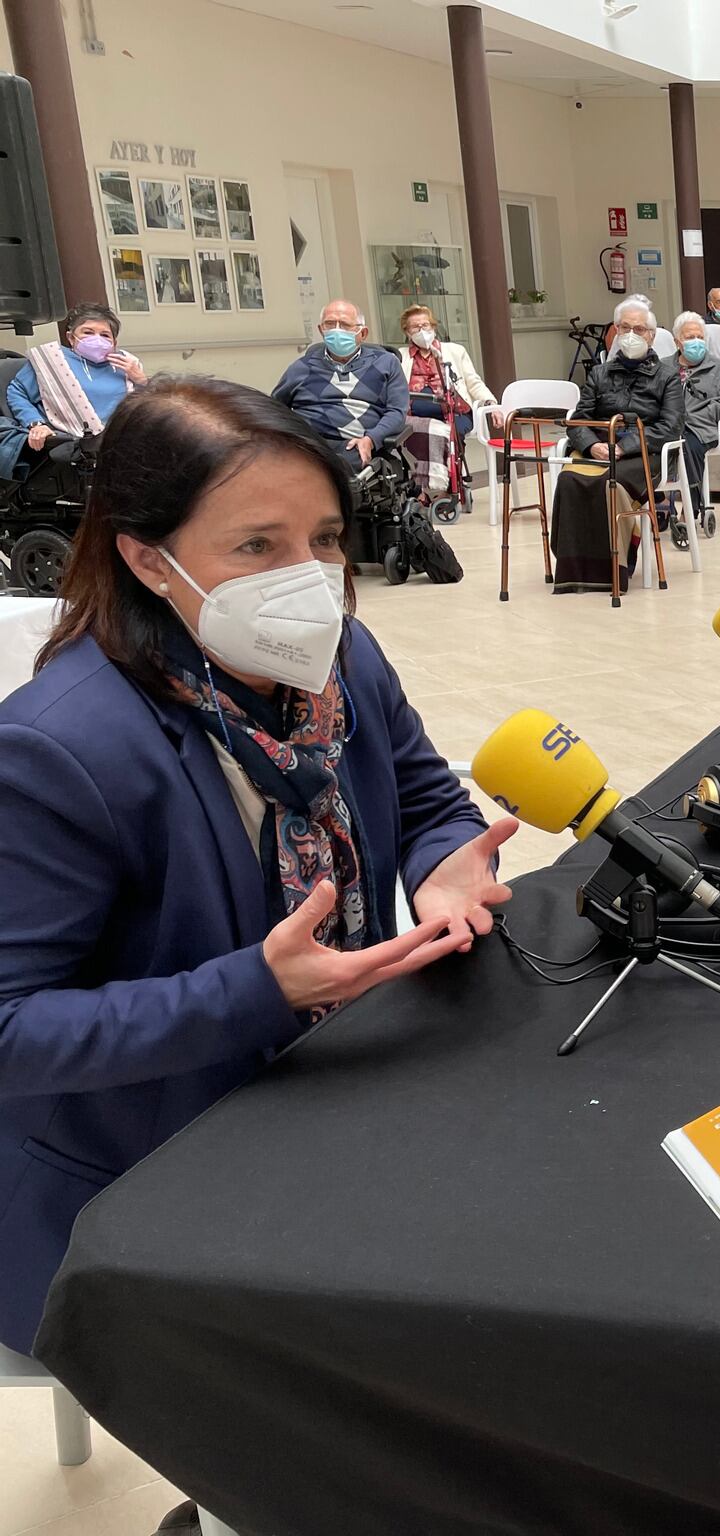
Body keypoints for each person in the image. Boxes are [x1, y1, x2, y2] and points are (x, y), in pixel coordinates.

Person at [0, 378, 510, 1361]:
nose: (310, 579)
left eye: (323, 538)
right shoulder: (56, 750)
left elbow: (424, 794)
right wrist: (255, 990)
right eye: (256, 547)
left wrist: (447, 866)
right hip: (140, 1173)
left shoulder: (339, 658)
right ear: (148, 559)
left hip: (331, 1092)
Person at [550, 297, 682, 593]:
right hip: (599, 446)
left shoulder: (667, 376)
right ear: (616, 331)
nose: (632, 334)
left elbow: (670, 426)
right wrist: (590, 446)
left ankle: (612, 568)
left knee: (613, 486)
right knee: (570, 479)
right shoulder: (599, 373)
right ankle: (575, 570)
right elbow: (579, 420)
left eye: (639, 329)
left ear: (651, 335)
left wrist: (627, 446)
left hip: (643, 453)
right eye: (626, 328)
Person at [5, 301, 145, 473]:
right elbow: (17, 392)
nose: (97, 339)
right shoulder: (51, 361)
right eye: (88, 332)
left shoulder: (127, 364)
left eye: (105, 335)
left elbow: (148, 406)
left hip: (121, 445)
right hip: (73, 447)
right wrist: (36, 424)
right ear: (71, 337)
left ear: (114, 342)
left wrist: (141, 380)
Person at [271, 299, 407, 469]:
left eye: (344, 325)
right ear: (321, 330)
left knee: (337, 470)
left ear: (362, 333)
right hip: (308, 444)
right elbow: (274, 408)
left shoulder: (386, 363)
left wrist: (371, 439)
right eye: (329, 324)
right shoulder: (301, 367)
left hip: (354, 445)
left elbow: (397, 413)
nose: (336, 330)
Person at [396, 304, 495, 507]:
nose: (422, 331)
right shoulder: (400, 356)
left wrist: (490, 401)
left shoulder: (454, 351)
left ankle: (448, 485)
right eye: (415, 327)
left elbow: (473, 381)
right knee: (414, 430)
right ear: (407, 332)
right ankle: (423, 488)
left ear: (433, 327)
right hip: (415, 416)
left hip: (454, 412)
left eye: (425, 325)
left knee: (452, 433)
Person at [670, 310, 720, 520]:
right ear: (677, 342)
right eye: (690, 338)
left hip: (703, 430)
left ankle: (689, 510)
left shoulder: (718, 368)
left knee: (687, 446)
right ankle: (662, 503)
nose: (696, 342)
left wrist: (703, 412)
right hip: (669, 427)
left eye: (700, 337)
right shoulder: (662, 367)